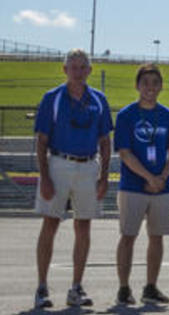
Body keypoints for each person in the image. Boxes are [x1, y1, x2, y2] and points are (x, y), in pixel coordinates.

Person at [33, 49, 113, 309]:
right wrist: (44, 177)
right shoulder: (53, 98)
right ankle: (42, 287)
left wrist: (104, 176)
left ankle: (76, 287)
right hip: (58, 164)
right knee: (51, 223)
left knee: (84, 227)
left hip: (88, 165)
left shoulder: (98, 100)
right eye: (73, 67)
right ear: (64, 70)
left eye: (82, 68)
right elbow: (41, 141)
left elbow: (105, 141)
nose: (78, 72)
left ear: (89, 70)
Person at [113, 64, 169, 306]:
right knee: (128, 236)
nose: (150, 88)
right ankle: (123, 287)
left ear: (160, 86)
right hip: (133, 185)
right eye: (145, 83)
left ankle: (151, 286)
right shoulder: (126, 115)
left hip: (162, 187)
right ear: (137, 86)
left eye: (155, 83)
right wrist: (149, 178)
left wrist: (161, 176)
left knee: (157, 237)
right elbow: (125, 152)